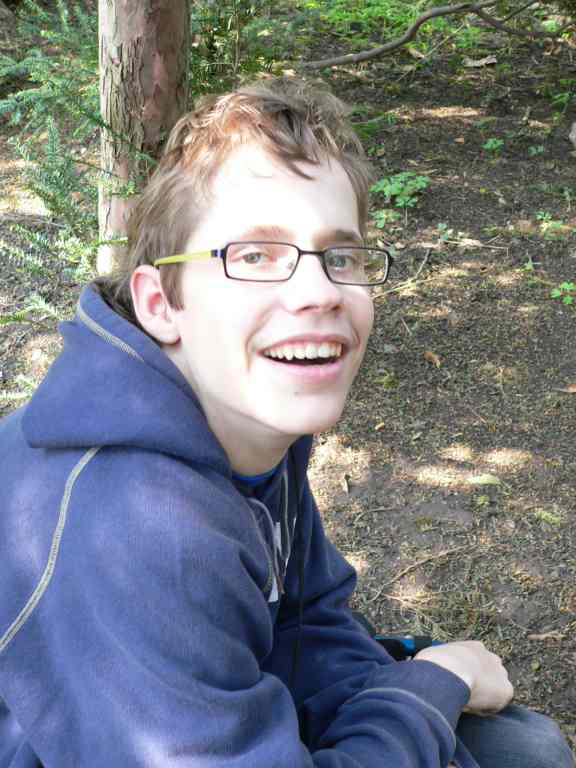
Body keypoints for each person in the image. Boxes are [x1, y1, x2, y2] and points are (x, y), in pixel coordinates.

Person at [0, 78, 572, 768]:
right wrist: (431, 686)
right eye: (254, 256)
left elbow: (307, 617)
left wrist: (404, 700)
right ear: (160, 304)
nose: (318, 291)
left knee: (525, 749)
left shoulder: (246, 421)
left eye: (341, 256)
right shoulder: (133, 530)